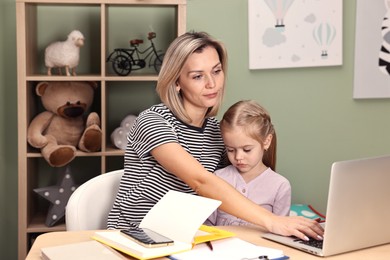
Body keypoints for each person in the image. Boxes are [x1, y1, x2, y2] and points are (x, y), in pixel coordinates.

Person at [107, 31, 323, 241]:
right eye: (198, 76)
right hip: (135, 237)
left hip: (188, 239)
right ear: (176, 82)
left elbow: (235, 184)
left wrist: (282, 220)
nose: (212, 84)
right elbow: (201, 181)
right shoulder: (153, 121)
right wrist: (272, 221)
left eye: (216, 71)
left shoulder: (218, 133)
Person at [206, 100, 291, 226]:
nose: (238, 157)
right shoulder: (218, 178)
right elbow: (207, 226)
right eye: (230, 150)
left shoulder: (280, 186)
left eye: (247, 150)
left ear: (266, 142)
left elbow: (282, 231)